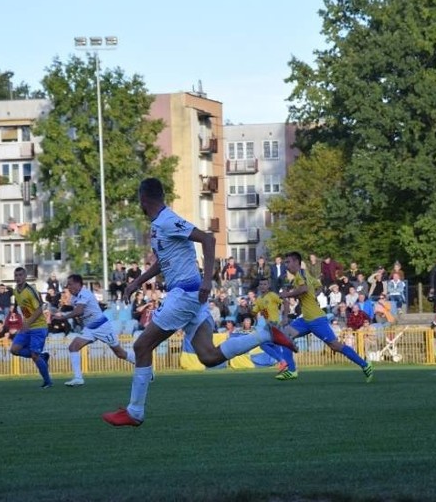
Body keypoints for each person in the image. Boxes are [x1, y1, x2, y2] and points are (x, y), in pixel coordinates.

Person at [102, 178, 295, 427]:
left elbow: (208, 239)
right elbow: (163, 261)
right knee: (209, 356)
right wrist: (137, 282)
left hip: (184, 295)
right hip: (189, 296)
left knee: (141, 347)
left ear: (143, 199)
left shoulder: (167, 220)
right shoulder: (160, 225)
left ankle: (135, 411)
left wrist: (207, 281)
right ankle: (264, 334)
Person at [273, 251, 374, 382]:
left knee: (335, 346)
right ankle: (291, 371)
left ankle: (365, 365)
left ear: (297, 262)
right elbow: (318, 286)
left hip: (316, 319)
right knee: (284, 336)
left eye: (288, 262)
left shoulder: (300, 275)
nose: (286, 265)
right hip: (306, 319)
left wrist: (287, 294)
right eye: (285, 262)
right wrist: (313, 295)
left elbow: (303, 289)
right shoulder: (305, 275)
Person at [56, 273, 135, 386]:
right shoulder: (74, 298)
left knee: (120, 353)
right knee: (73, 347)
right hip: (90, 328)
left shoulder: (85, 293)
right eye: (67, 285)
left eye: (70, 284)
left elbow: (79, 311)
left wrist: (62, 317)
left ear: (78, 284)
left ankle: (144, 365)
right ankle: (78, 378)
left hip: (102, 326)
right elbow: (80, 313)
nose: (68, 287)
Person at [9, 266, 52, 388]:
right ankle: (42, 356)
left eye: (20, 275)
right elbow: (20, 304)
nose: (18, 278)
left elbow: (40, 309)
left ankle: (48, 381)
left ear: (25, 276)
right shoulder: (16, 291)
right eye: (16, 275)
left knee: (34, 356)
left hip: (38, 327)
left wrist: (27, 323)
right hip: (27, 327)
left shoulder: (30, 290)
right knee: (14, 350)